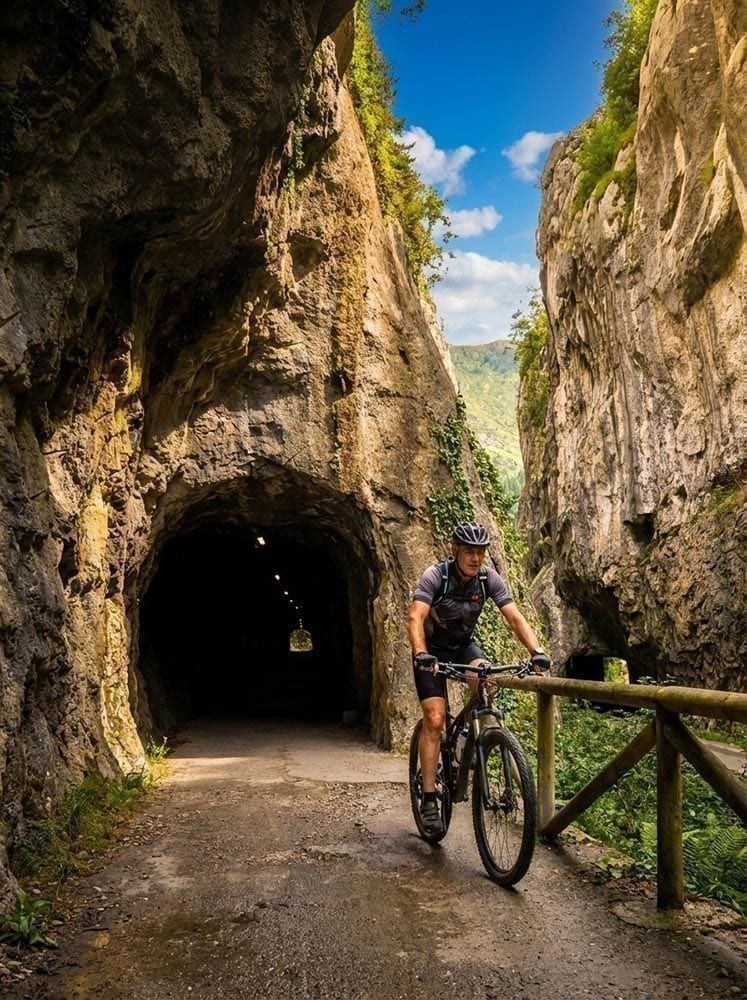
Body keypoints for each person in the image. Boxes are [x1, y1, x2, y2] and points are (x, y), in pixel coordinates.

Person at [407, 521, 550, 834]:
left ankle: (470, 740)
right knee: (434, 718)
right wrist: (420, 653)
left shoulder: (488, 579)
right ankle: (429, 796)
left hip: (462, 647)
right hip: (431, 650)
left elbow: (514, 616)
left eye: (481, 552)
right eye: (469, 551)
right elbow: (416, 616)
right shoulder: (437, 576)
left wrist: (536, 650)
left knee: (485, 678)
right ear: (455, 550)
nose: (475, 558)